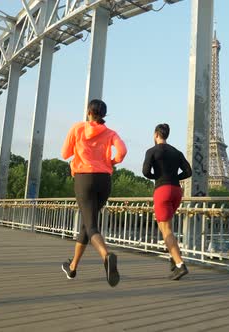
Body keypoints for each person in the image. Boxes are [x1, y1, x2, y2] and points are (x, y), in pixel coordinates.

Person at [60, 99, 127, 287]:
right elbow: (122, 151)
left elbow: (65, 154)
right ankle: (72, 267)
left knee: (91, 226)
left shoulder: (77, 128)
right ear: (104, 114)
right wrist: (111, 161)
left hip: (84, 178)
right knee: (88, 224)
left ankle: (107, 257)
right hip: (104, 180)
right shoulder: (111, 133)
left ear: (89, 112)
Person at [142, 123, 192, 280]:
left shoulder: (151, 151)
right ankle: (173, 255)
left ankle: (179, 264)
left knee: (166, 229)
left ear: (156, 134)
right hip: (177, 191)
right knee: (166, 227)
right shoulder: (177, 152)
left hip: (162, 191)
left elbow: (145, 172)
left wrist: (158, 178)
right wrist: (174, 177)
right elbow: (188, 171)